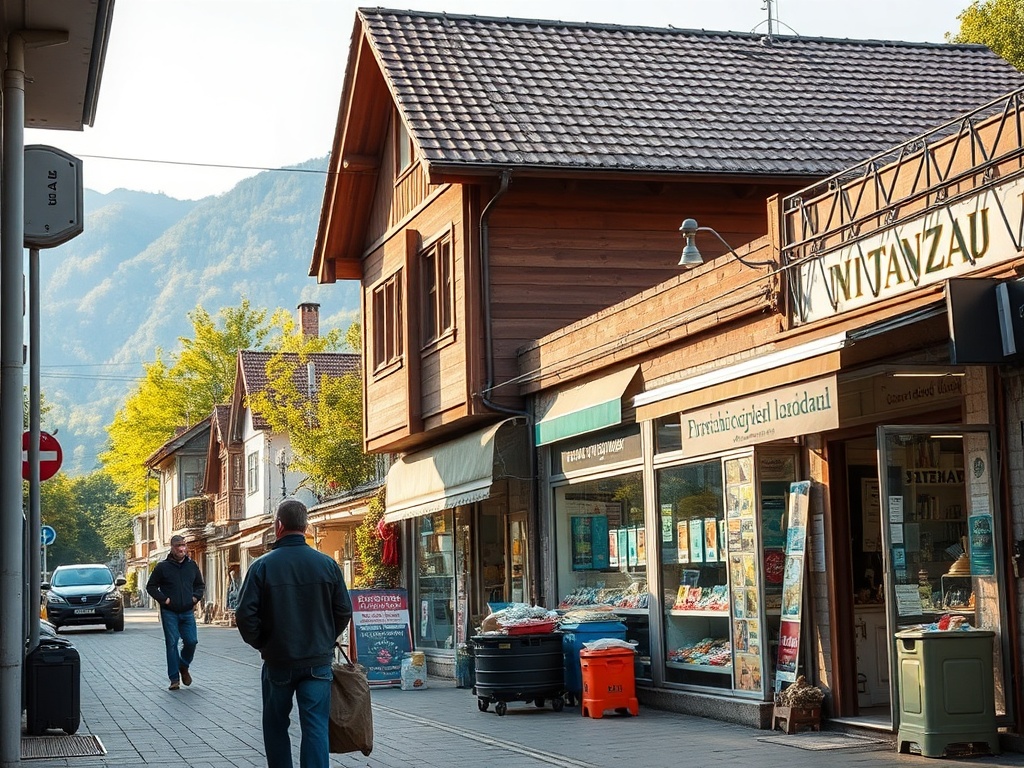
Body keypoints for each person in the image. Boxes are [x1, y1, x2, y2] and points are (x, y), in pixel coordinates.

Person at [236, 498, 353, 768]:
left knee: (276, 723)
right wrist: (325, 638)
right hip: (317, 661)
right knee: (315, 726)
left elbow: (245, 614)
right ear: (306, 526)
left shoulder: (262, 567)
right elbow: (343, 610)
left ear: (278, 526)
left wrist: (262, 641)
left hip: (279, 660)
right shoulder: (327, 565)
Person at [146, 534, 205, 691]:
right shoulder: (162, 567)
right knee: (171, 643)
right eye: (178, 545)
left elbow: (200, 585)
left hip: (187, 611)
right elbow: (151, 586)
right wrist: (164, 600)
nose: (181, 548)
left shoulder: (192, 566)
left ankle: (183, 666)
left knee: (192, 641)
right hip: (169, 612)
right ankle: (174, 679)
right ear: (171, 548)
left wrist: (194, 598)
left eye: (183, 545)